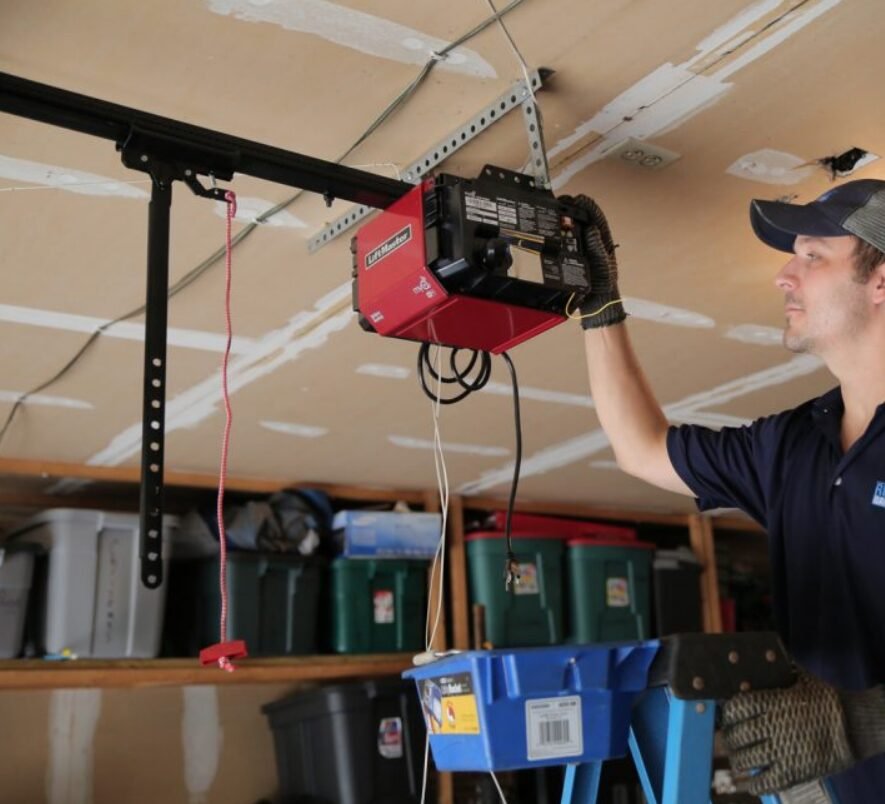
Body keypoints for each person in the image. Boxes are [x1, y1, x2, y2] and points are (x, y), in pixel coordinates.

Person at [564, 179, 885, 801]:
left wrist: (869, 717)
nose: (784, 277)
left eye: (813, 256)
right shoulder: (792, 443)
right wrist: (600, 305)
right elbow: (642, 449)